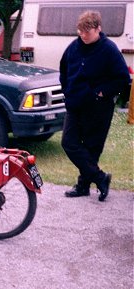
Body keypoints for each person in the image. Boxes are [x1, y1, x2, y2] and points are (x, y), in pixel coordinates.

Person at [59, 11, 131, 202]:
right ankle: (100, 178)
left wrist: (101, 93)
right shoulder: (73, 47)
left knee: (92, 148)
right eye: (80, 31)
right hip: (75, 105)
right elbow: (64, 70)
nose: (83, 35)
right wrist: (67, 91)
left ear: (98, 29)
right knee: (69, 143)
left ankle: (83, 186)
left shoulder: (108, 49)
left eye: (87, 32)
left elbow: (123, 79)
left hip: (99, 108)